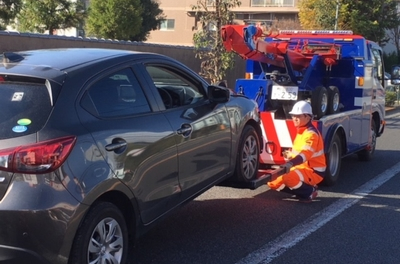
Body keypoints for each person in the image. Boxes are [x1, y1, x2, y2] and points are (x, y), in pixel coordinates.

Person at [267, 100, 326, 202]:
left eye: (298, 116)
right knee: (272, 183)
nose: (294, 118)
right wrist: (290, 155)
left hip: (313, 171)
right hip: (301, 168)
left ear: (307, 117)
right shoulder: (302, 131)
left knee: (288, 178)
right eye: (293, 115)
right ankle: (302, 190)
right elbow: (298, 152)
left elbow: (305, 155)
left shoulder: (311, 135)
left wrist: (290, 163)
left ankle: (308, 192)